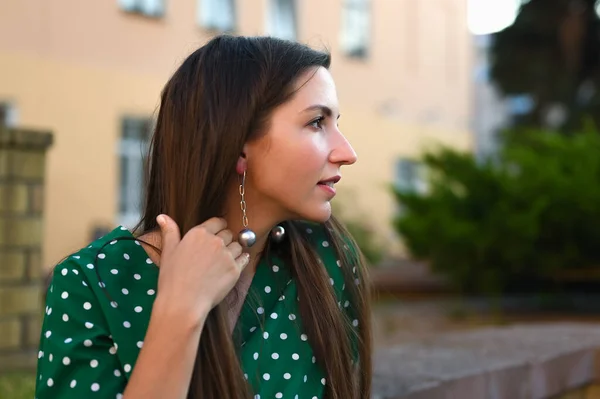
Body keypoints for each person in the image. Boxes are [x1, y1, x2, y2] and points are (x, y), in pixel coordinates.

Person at [34, 35, 372, 399]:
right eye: (317, 122)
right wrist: (181, 309)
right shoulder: (92, 284)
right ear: (238, 145)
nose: (347, 152)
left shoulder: (327, 261)